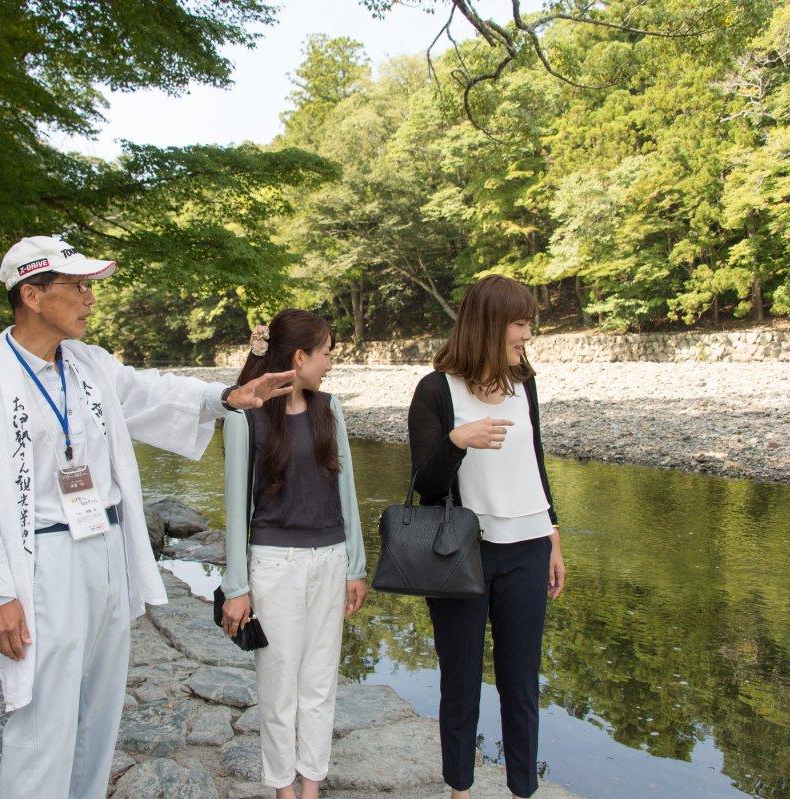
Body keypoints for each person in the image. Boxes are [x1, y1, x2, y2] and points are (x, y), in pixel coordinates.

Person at [0, 235, 294, 799]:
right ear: (31, 294)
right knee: (42, 712)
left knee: (100, 705)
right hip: (43, 561)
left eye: (89, 286)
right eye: (76, 286)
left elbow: (148, 394)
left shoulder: (85, 363)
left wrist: (227, 397)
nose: (89, 298)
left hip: (103, 542)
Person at [407, 275, 567, 799]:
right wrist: (457, 440)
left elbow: (535, 461)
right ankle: (461, 791)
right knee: (461, 684)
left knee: (521, 684)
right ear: (490, 324)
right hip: (459, 554)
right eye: (519, 323)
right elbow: (426, 483)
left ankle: (524, 790)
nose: (526, 333)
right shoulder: (435, 390)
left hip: (528, 546)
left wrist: (554, 536)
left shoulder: (525, 380)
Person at [219, 309, 368, 799]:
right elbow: (236, 506)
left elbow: (346, 492)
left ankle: (312, 787)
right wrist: (236, 588)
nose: (329, 363)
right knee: (279, 688)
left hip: (329, 560)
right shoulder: (246, 416)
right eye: (325, 353)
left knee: (320, 683)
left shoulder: (332, 408)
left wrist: (356, 566)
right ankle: (283, 787)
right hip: (273, 567)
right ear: (299, 356)